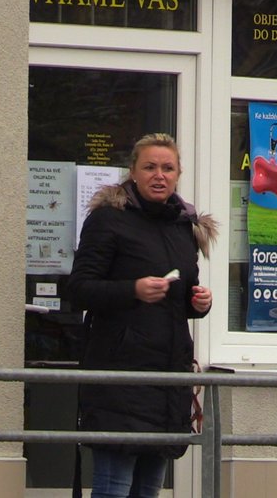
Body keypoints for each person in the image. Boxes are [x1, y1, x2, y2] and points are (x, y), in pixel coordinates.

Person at [67, 133, 218, 498]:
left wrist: (200, 302)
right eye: (149, 167)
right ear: (132, 172)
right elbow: (78, 289)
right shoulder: (109, 220)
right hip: (119, 379)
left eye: (168, 168)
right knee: (113, 491)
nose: (159, 175)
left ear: (178, 174)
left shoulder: (183, 226)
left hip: (166, 381)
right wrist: (133, 289)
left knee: (148, 491)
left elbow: (183, 294)